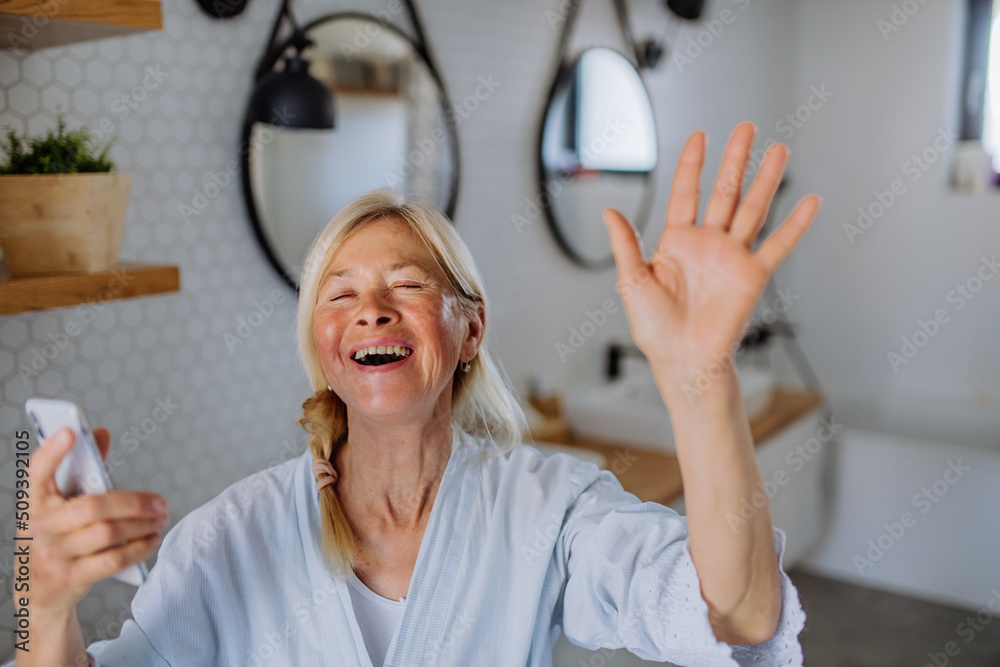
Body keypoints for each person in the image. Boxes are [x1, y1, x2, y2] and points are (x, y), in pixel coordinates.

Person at [17, 121, 820, 667]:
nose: (372, 307)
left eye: (407, 284)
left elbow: (739, 618)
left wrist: (699, 379)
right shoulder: (228, 536)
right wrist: (39, 602)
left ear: (470, 332)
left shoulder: (551, 508)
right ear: (326, 351)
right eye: (341, 293)